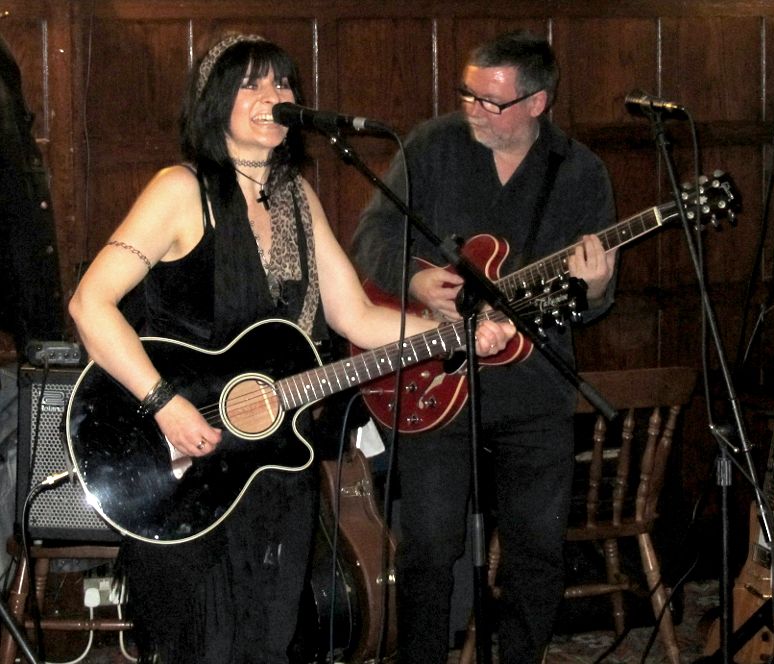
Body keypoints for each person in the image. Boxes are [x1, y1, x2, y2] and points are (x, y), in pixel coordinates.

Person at [68, 34, 514, 664]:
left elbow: (355, 316)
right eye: (250, 84)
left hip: (273, 471)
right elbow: (90, 304)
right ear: (214, 101)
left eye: (281, 84)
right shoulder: (178, 190)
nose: (272, 97)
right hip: (177, 463)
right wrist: (165, 403)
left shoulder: (298, 198)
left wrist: (458, 335)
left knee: (270, 641)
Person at [350, 29, 618, 663]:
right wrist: (415, 279)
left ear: (537, 103)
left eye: (492, 102)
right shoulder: (431, 146)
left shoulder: (579, 172)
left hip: (533, 389)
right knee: (428, 548)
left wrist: (599, 285)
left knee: (536, 549)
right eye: (469, 93)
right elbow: (371, 239)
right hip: (432, 378)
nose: (473, 109)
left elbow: (593, 301)